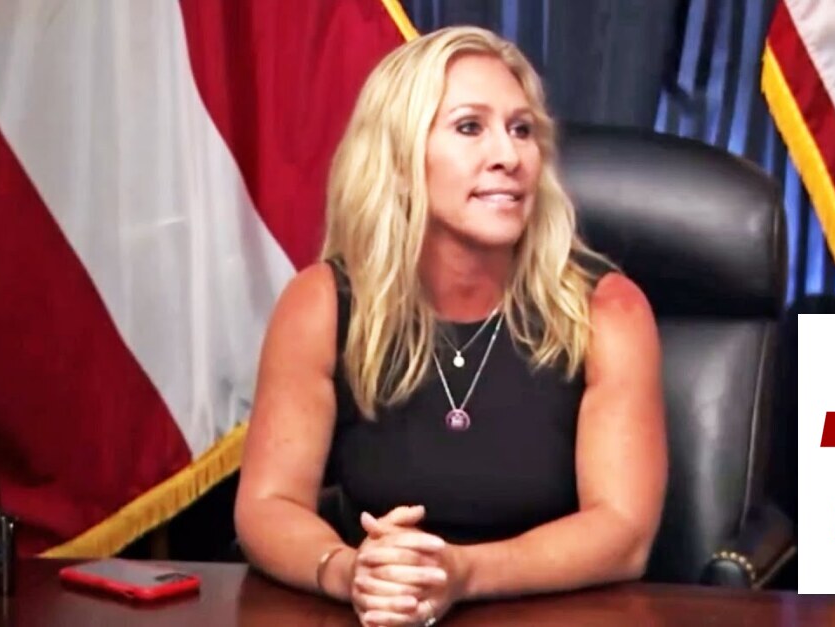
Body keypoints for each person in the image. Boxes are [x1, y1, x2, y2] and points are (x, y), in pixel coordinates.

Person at [234, 25, 667, 627]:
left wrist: (461, 573)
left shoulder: (608, 310)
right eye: (470, 127)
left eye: (521, 129)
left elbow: (623, 534)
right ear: (400, 161)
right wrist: (347, 571)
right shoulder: (322, 304)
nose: (509, 156)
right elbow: (267, 503)